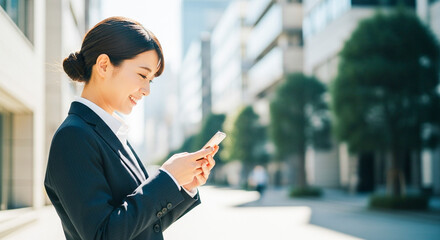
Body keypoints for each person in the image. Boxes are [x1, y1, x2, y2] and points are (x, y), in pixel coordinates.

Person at [44, 17, 218, 240]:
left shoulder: (114, 135)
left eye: (151, 80)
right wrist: (167, 177)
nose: (146, 90)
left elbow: (143, 227)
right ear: (104, 65)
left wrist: (181, 185)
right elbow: (104, 235)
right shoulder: (73, 137)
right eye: (142, 75)